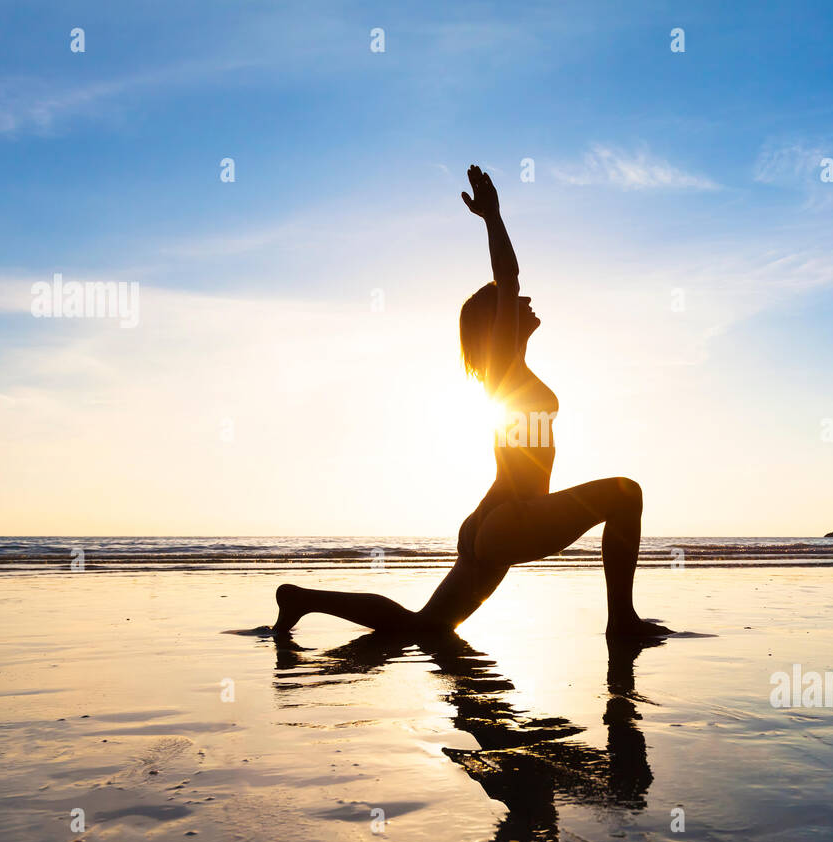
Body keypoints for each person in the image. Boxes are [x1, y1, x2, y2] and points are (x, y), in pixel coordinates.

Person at [273, 165, 671, 639]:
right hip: (515, 516)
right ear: (496, 323)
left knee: (426, 628)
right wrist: (493, 218)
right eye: (510, 305)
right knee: (626, 493)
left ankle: (301, 599)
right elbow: (508, 278)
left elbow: (509, 287)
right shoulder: (504, 366)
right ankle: (621, 622)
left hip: (492, 518)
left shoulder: (507, 374)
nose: (524, 303)